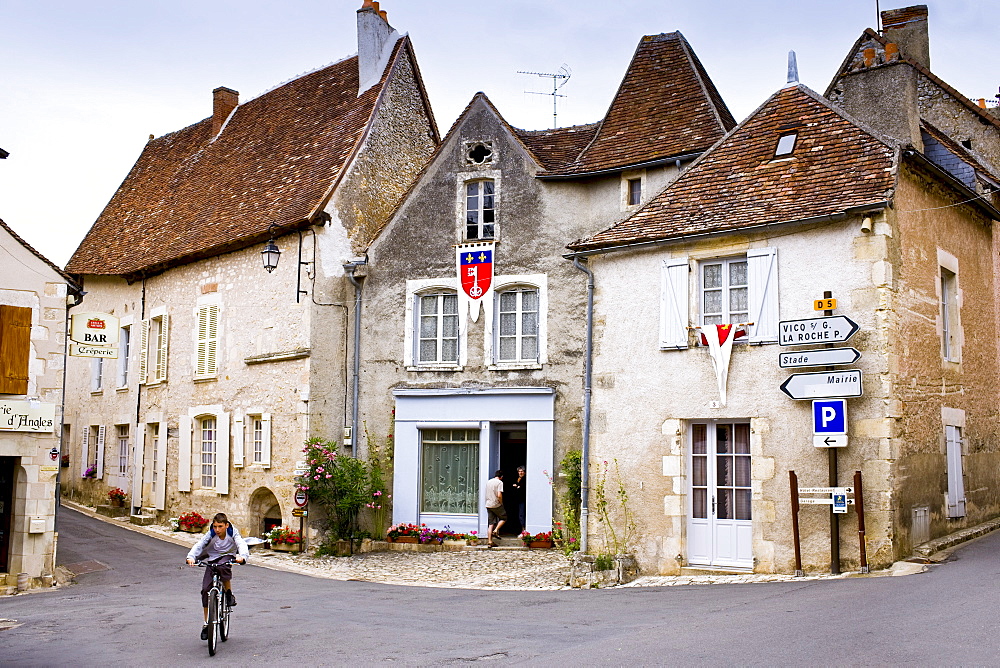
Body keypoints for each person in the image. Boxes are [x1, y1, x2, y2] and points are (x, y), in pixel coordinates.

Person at [186, 512, 249, 640]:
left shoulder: (232, 533)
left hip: (228, 556)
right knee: (205, 589)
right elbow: (200, 544)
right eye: (215, 526)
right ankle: (206, 623)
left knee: (222, 566)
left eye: (220, 526)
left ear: (226, 525)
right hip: (212, 558)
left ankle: (229, 593)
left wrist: (242, 557)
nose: (217, 529)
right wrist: (191, 557)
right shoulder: (211, 534)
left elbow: (241, 544)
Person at [485, 470, 506, 547]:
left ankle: (490, 541)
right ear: (501, 477)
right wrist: (501, 502)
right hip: (496, 504)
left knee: (491, 523)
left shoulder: (489, 482)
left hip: (488, 504)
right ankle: (496, 530)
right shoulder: (500, 483)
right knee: (504, 518)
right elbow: (499, 495)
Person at [509, 465, 526, 532]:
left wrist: (518, 486)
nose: (520, 473)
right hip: (517, 500)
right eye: (519, 471)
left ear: (524, 472)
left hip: (522, 499)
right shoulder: (517, 479)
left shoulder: (525, 479)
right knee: (518, 515)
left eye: (522, 471)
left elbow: (523, 487)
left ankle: (523, 530)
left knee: (522, 514)